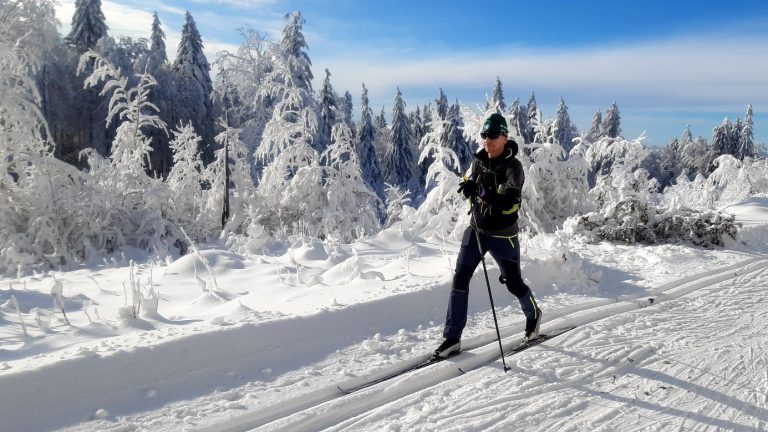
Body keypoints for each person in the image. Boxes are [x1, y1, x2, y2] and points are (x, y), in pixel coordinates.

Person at [433, 112, 542, 359]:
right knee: (460, 278)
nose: (487, 140)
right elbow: (472, 187)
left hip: (504, 236)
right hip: (477, 230)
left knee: (513, 283)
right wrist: (469, 186)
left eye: (492, 135)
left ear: (504, 137)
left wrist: (480, 190)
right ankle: (452, 338)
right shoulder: (478, 161)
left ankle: (533, 314)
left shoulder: (514, 167)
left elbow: (510, 203)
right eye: (484, 135)